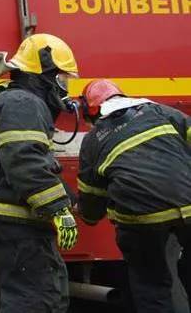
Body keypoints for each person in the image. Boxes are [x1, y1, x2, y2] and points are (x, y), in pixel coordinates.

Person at [0, 33, 80, 313]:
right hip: (15, 215)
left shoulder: (19, 99)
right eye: (62, 77)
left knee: (46, 293)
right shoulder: (24, 103)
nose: (65, 86)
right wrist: (58, 209)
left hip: (13, 212)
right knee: (34, 299)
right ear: (46, 72)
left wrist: (67, 199)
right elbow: (24, 159)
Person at [77, 79, 191, 313]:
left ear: (92, 110)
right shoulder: (163, 112)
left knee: (152, 285)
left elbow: (91, 201)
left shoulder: (92, 141)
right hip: (189, 204)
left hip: (142, 221)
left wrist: (85, 214)